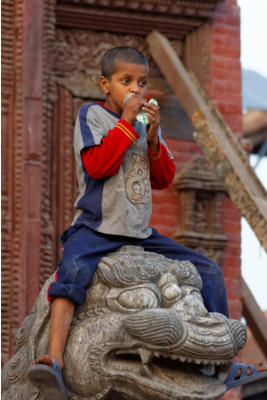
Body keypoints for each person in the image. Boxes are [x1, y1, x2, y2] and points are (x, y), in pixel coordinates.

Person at [27, 47, 267, 399]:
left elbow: (164, 177)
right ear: (105, 85)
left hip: (139, 234)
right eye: (126, 82)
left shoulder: (142, 128)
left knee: (209, 271)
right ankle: (55, 361)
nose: (136, 90)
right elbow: (98, 166)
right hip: (96, 227)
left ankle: (226, 362)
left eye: (142, 82)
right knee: (71, 273)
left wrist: (153, 137)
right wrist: (126, 123)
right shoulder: (92, 115)